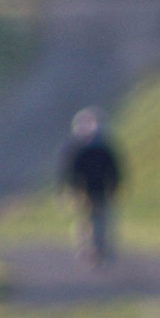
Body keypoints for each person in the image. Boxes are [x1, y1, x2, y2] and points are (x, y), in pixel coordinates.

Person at [58, 107, 123, 265]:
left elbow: (113, 168)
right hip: (84, 190)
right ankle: (87, 249)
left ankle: (97, 249)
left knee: (98, 220)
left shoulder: (98, 147)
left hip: (98, 189)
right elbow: (69, 170)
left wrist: (115, 184)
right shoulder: (80, 148)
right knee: (87, 221)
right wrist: (70, 189)